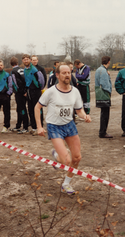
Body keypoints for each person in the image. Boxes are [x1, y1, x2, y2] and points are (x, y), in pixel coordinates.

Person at [35, 63, 91, 195]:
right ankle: (57, 154)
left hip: (69, 125)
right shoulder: (50, 92)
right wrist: (39, 127)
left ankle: (66, 184)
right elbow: (37, 107)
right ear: (57, 75)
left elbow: (79, 110)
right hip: (54, 127)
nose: (67, 75)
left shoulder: (75, 91)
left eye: (69, 72)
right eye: (64, 73)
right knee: (66, 160)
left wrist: (85, 116)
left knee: (76, 158)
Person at [22, 54, 44, 134]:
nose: (26, 61)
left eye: (27, 59)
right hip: (29, 92)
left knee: (38, 109)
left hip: (36, 91)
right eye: (24, 59)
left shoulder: (35, 70)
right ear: (22, 61)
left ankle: (40, 127)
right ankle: (34, 127)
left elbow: (41, 80)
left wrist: (38, 88)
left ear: (30, 60)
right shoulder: (25, 70)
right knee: (30, 109)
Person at [95, 56, 113, 138]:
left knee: (103, 113)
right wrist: (109, 92)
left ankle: (102, 131)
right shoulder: (104, 71)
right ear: (108, 62)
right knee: (105, 114)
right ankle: (103, 132)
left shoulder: (99, 69)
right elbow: (105, 84)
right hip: (104, 94)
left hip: (99, 93)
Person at [10, 57, 29, 134]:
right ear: (17, 63)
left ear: (11, 64)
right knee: (19, 109)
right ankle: (18, 125)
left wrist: (21, 91)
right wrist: (25, 90)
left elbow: (16, 83)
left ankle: (25, 127)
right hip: (25, 91)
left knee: (22, 109)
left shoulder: (13, 71)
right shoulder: (22, 69)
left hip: (19, 93)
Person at [0, 60, 13, 133]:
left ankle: (6, 126)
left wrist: (8, 93)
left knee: (6, 112)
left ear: (3, 66)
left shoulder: (7, 75)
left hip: (5, 95)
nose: (0, 66)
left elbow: (10, 85)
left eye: (1, 65)